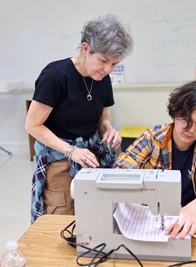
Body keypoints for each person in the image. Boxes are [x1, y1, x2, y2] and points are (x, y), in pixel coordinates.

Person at [25, 14, 133, 223]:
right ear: (85, 49)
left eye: (114, 64)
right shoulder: (55, 76)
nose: (107, 70)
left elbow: (102, 119)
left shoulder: (102, 78)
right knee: (62, 217)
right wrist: (71, 151)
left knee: (93, 218)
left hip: (89, 157)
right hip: (59, 159)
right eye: (103, 61)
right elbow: (32, 125)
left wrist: (109, 129)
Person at [115, 81, 196, 239]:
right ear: (175, 112)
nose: (190, 130)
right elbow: (121, 169)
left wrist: (193, 209)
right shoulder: (152, 138)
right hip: (161, 223)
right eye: (185, 119)